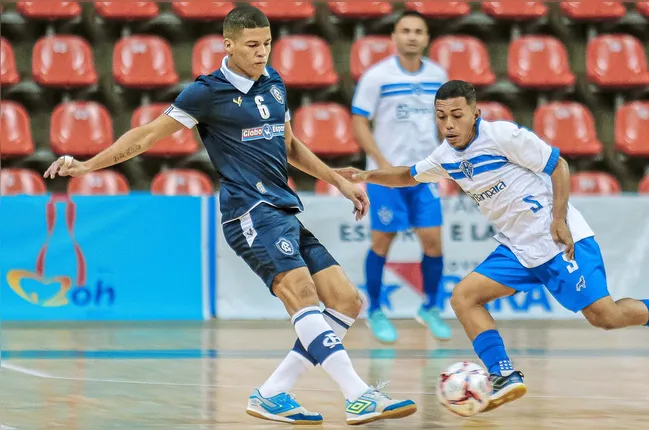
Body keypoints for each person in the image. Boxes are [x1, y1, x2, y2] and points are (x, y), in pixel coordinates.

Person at [43, 5, 417, 426]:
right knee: (303, 296)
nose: (263, 53)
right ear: (229, 44)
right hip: (248, 212)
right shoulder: (207, 92)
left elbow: (290, 146)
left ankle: (272, 393)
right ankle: (358, 394)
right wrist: (89, 165)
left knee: (348, 301)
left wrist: (338, 180)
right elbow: (146, 135)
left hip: (284, 207)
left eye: (268, 44)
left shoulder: (274, 82)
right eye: (253, 45)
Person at [337, 80, 649, 413]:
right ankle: (503, 373)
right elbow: (409, 174)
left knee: (606, 317)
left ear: (475, 113)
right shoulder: (446, 156)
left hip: (558, 240)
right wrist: (368, 175)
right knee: (465, 297)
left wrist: (559, 220)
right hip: (517, 248)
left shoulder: (502, 136)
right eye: (441, 117)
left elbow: (559, 166)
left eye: (456, 115)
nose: (448, 125)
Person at [351, 11, 451, 344]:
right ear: (394, 37)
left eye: (418, 31)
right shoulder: (377, 76)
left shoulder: (438, 75)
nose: (411, 36)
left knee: (434, 243)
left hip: (424, 174)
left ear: (427, 38)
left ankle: (430, 308)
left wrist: (446, 158)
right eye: (405, 30)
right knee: (382, 242)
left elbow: (447, 121)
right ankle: (376, 309)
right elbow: (359, 121)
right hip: (387, 177)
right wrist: (379, 163)